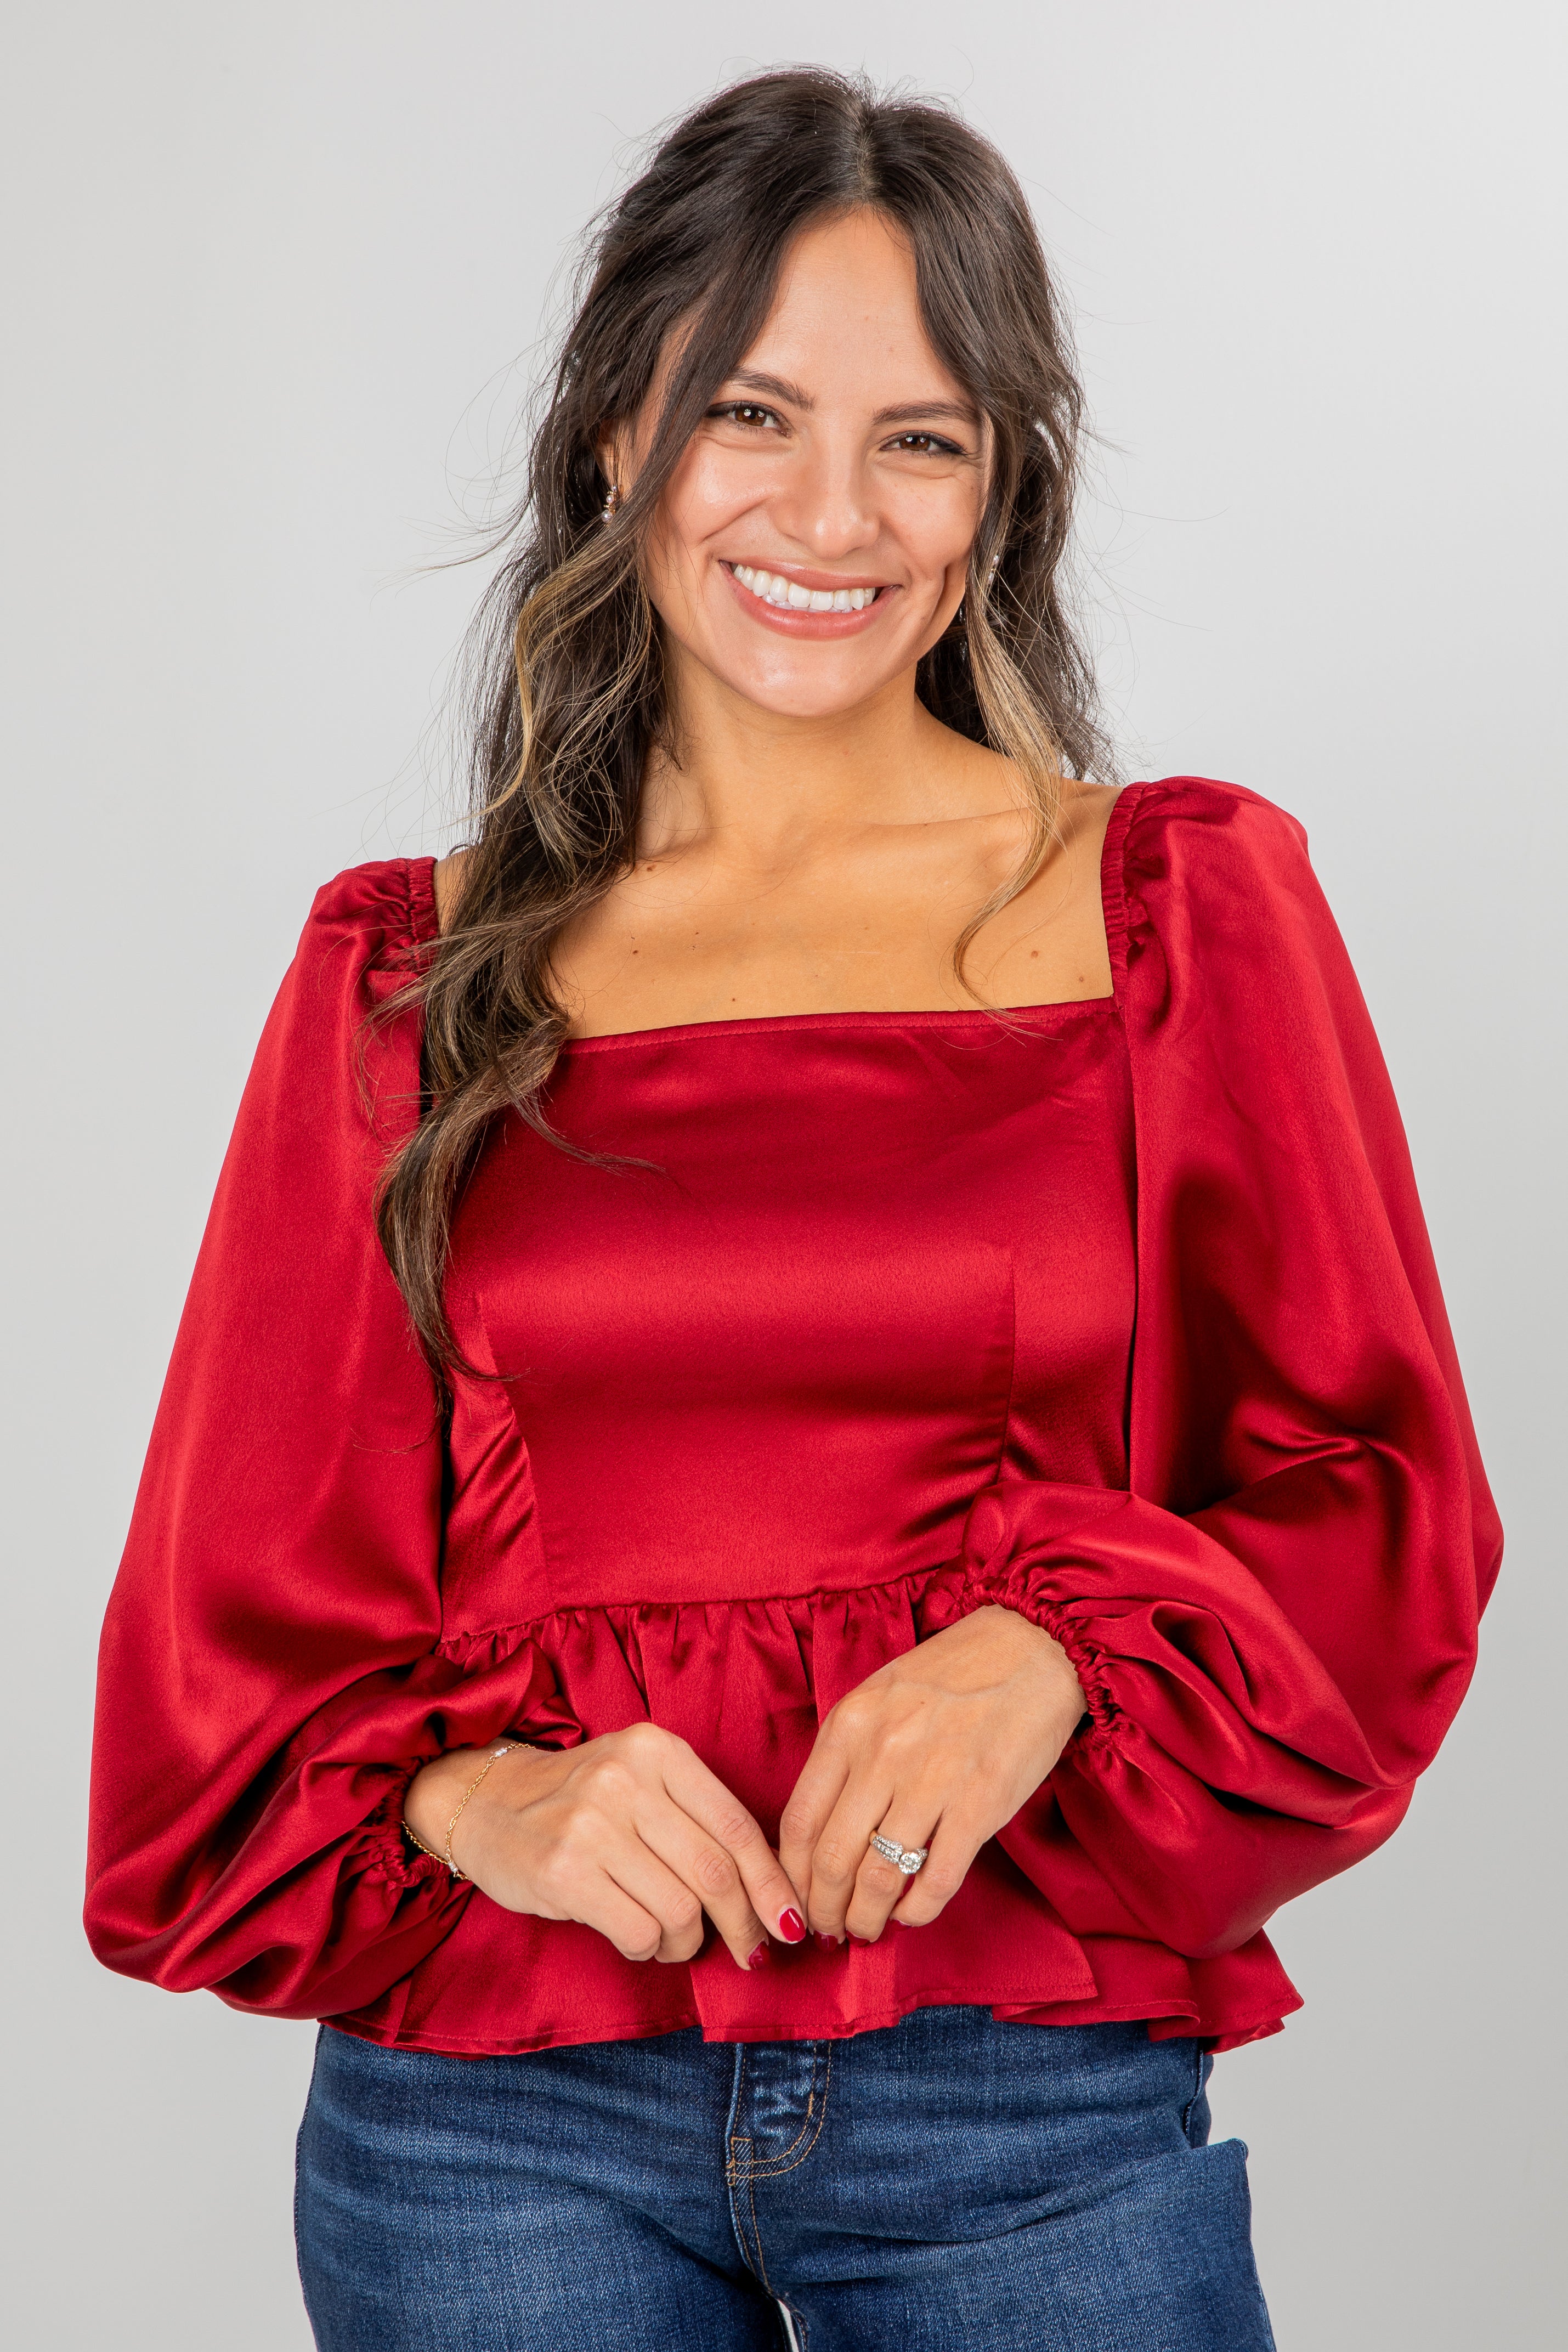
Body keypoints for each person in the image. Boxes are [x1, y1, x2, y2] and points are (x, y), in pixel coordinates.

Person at [84, 67, 1501, 2352]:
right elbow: (230, 1632)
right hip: (488, 2137)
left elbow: (1377, 1500)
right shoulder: (405, 976)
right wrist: (478, 1802)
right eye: (751, 410)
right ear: (612, 429)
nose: (829, 514)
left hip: (1019, 2100)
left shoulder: (1171, 907)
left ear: (998, 484)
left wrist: (1046, 1647)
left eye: (920, 437)